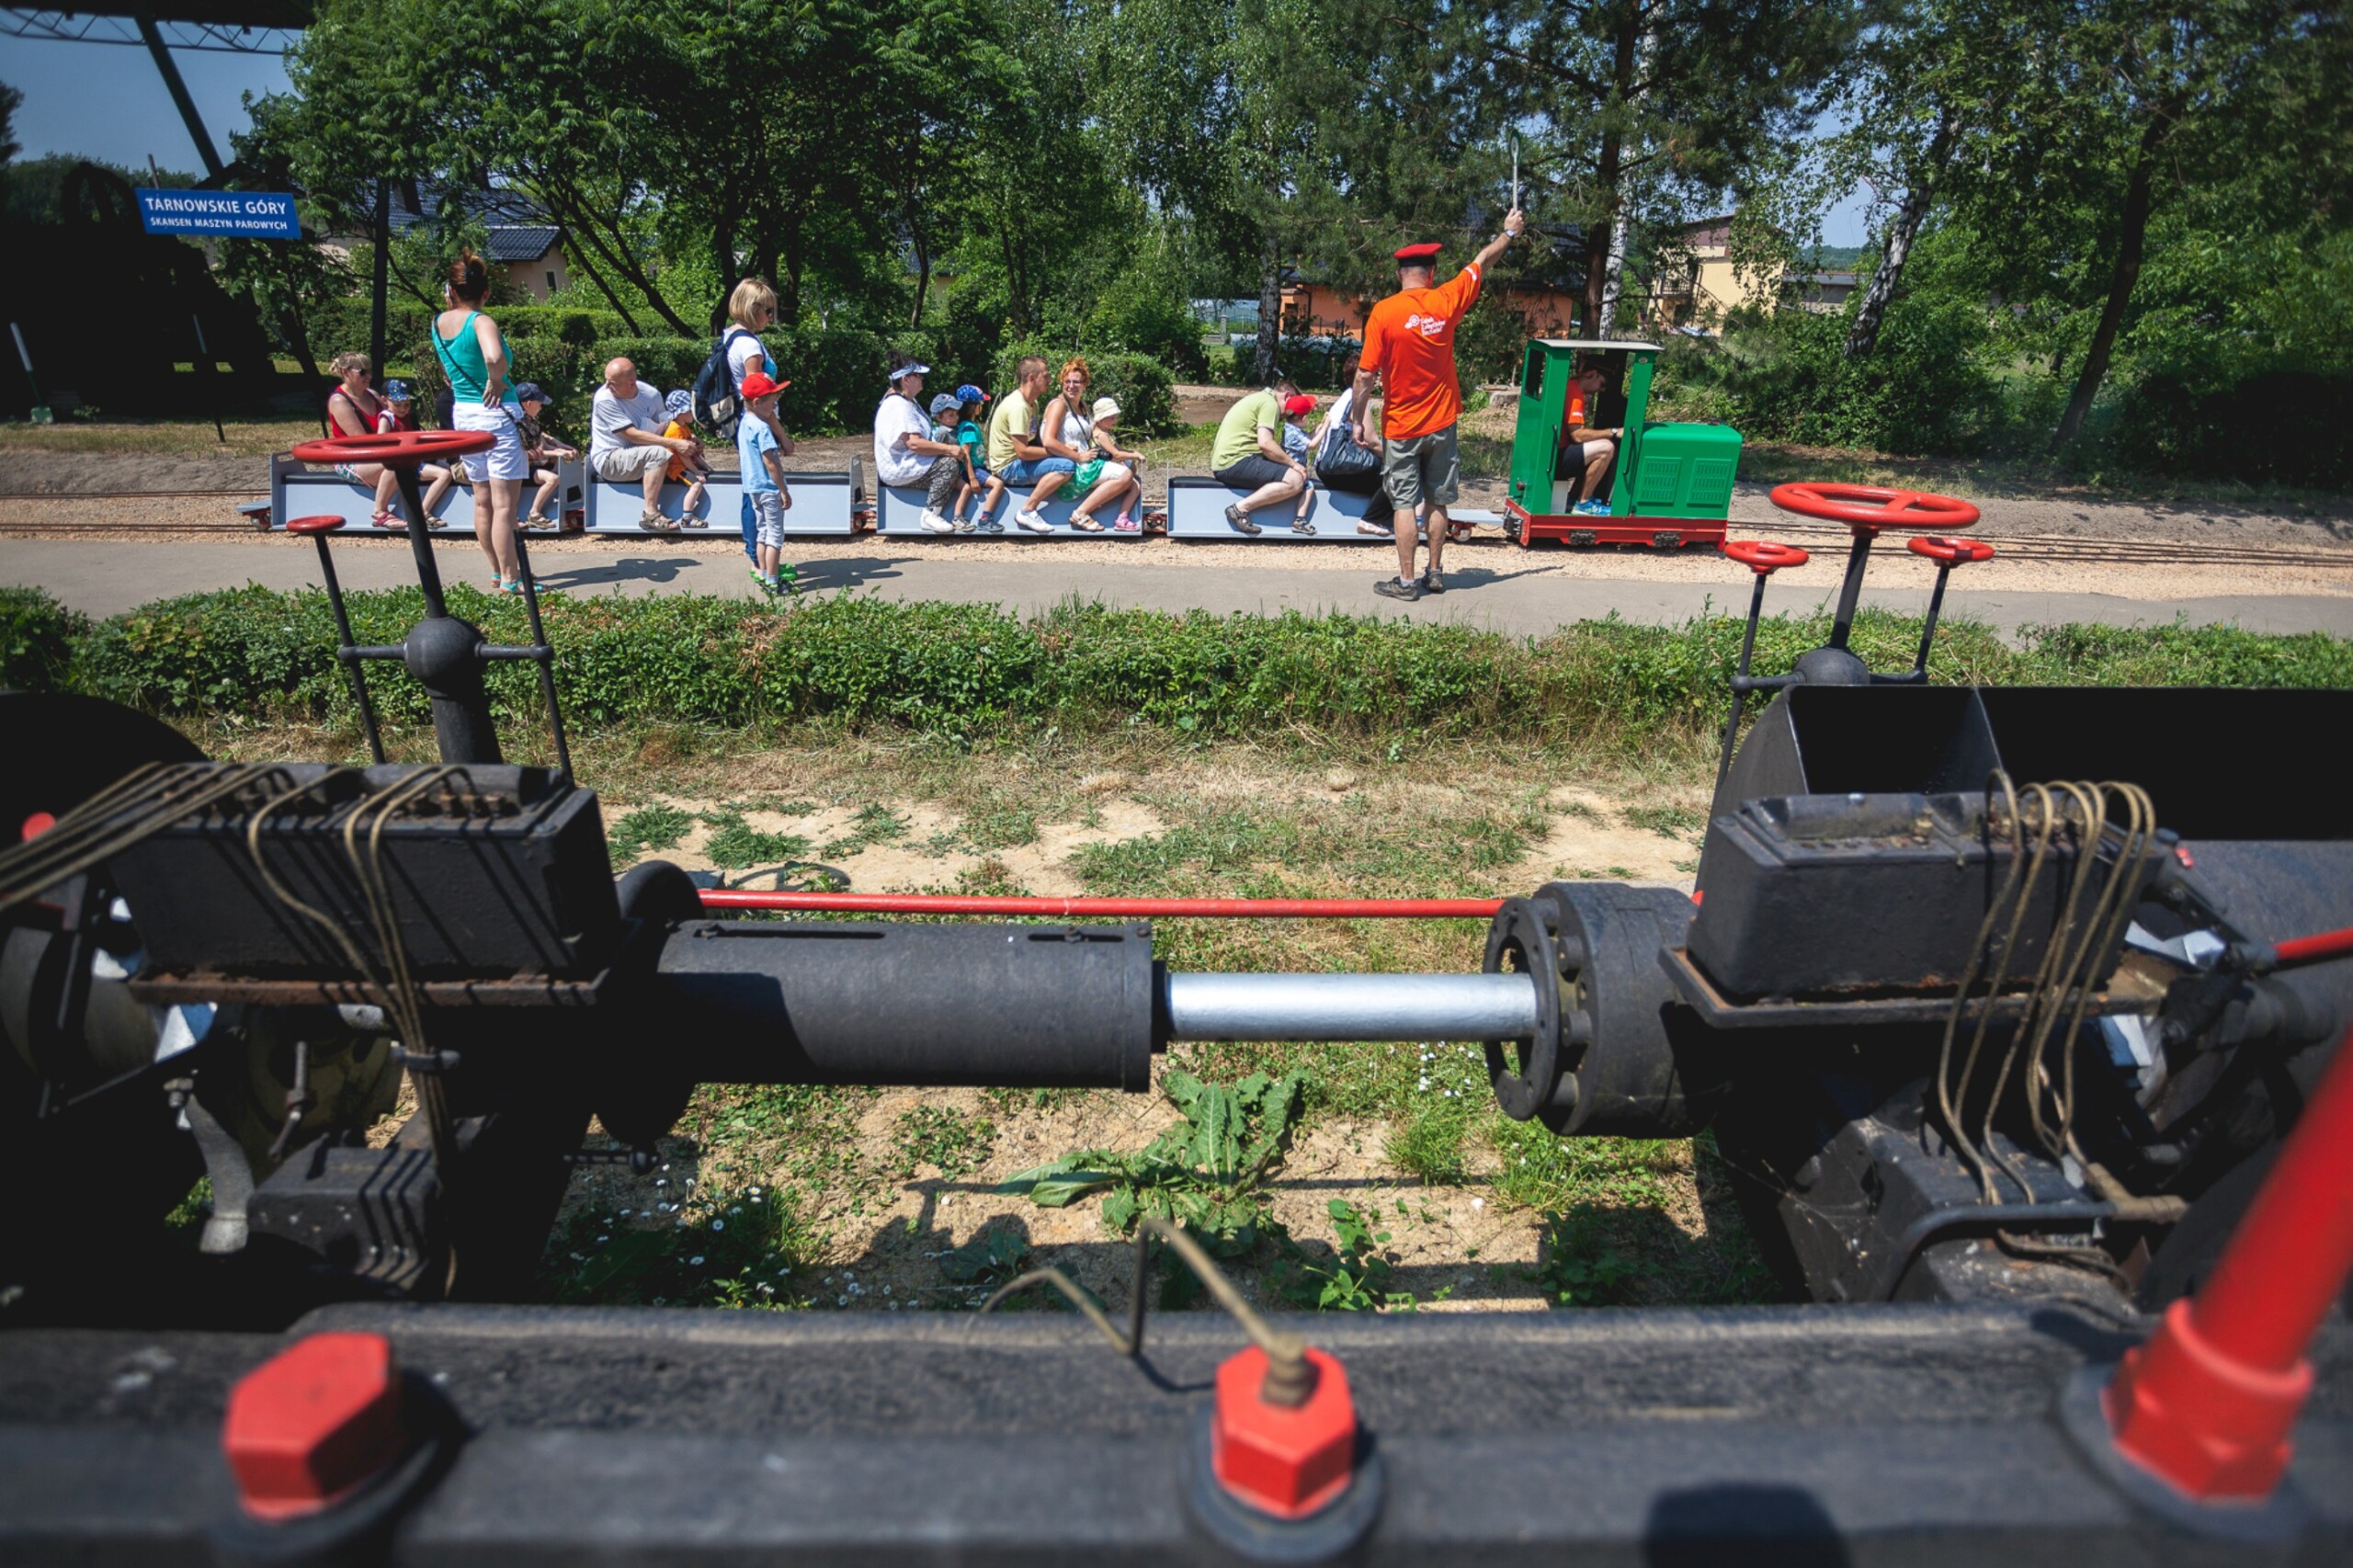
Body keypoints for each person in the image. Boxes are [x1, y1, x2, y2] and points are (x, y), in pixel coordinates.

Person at [1353, 208, 1525, 601]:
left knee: (1402, 503)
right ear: (1431, 273)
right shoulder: (1447, 299)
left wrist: (1356, 419)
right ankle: (1434, 572)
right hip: (1442, 423)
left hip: (1401, 426)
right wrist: (1509, 234)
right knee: (1438, 500)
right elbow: (1483, 260)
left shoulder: (1384, 312)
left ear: (1401, 274)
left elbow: (1364, 376)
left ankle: (1407, 582)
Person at [427, 247, 529, 592]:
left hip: (464, 414)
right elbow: (494, 356)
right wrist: (496, 379)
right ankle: (512, 579)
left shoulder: (439, 324)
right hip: (495, 415)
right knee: (504, 505)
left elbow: (447, 372)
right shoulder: (481, 321)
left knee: (482, 500)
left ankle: (498, 571)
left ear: (450, 291)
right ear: (486, 291)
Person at [590, 357, 695, 531]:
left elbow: (668, 425)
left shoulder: (651, 395)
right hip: (609, 458)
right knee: (659, 453)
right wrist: (675, 443)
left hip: (638, 453)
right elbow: (632, 435)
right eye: (607, 381)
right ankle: (650, 514)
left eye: (612, 383)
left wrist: (688, 439)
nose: (607, 386)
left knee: (674, 450)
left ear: (631, 383)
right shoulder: (604, 399)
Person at [872, 355, 968, 535]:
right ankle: (931, 514)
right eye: (918, 375)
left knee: (949, 462)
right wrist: (950, 449)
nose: (921, 378)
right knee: (949, 464)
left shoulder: (904, 400)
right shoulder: (900, 405)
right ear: (906, 379)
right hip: (899, 468)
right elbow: (914, 444)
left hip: (906, 462)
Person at [1039, 358, 1136, 534]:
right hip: (1073, 465)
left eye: (1076, 382)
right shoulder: (1059, 406)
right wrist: (1077, 456)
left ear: (1084, 384)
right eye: (1067, 382)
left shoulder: (1082, 406)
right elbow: (1048, 441)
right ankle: (1081, 513)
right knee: (1125, 475)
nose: (1071, 386)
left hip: (1088, 461)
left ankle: (1122, 518)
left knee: (1132, 476)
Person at [1209, 377, 1309, 536]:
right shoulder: (1270, 404)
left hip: (1227, 461)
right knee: (1295, 480)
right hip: (1235, 461)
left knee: (1287, 471)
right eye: (1290, 409)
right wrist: (1294, 465)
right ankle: (1240, 509)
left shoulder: (1259, 398)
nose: (1289, 414)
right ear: (1287, 395)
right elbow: (1266, 444)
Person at [985, 355, 1073, 534]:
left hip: (1019, 462)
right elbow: (1023, 452)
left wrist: (1058, 449)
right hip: (1008, 468)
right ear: (1032, 378)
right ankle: (1028, 510)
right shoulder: (1019, 407)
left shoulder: (1032, 404)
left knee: (1065, 460)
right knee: (1067, 466)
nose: (1050, 380)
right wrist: (1060, 453)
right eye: (1046, 376)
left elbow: (1034, 441)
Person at [1310, 378, 1399, 539]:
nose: (1379, 378)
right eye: (1376, 374)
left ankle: (1390, 519)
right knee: (1396, 473)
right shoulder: (1358, 399)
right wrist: (1399, 458)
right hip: (1339, 466)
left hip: (1326, 466)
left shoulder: (1344, 398)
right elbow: (1372, 442)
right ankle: (1370, 520)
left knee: (1381, 477)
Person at [322, 352, 402, 528]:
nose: (369, 376)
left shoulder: (372, 394)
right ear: (345, 372)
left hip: (378, 454)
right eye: (363, 372)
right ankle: (380, 511)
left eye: (370, 371)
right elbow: (362, 442)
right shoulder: (339, 401)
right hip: (352, 460)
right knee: (398, 463)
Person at [737, 369, 796, 596]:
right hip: (769, 488)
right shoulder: (762, 428)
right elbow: (770, 463)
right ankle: (773, 581)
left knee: (762, 532)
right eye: (772, 400)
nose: (775, 404)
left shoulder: (746, 423)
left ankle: (762, 573)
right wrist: (783, 490)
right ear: (757, 401)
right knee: (775, 536)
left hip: (753, 488)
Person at [1560, 359, 1622, 517]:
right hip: (1557, 458)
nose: (1601, 390)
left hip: (1558, 452)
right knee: (1605, 448)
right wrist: (1614, 432)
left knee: (1594, 446)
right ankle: (1583, 504)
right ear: (1592, 374)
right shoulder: (1574, 393)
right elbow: (1578, 436)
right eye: (1602, 384)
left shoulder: (1571, 387)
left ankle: (1572, 499)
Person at [513, 382, 578, 530]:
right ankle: (534, 513)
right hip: (520, 470)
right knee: (552, 479)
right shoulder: (518, 425)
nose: (541, 406)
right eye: (539, 402)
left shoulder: (530, 422)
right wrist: (555, 452)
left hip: (530, 467)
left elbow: (543, 444)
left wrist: (560, 448)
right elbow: (528, 453)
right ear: (528, 403)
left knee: (558, 465)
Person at [1087, 395, 1146, 533]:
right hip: (1099, 470)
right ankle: (1122, 518)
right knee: (1135, 486)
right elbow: (1116, 454)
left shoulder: (1107, 432)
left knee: (1135, 480)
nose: (1115, 421)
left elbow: (1120, 451)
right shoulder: (1101, 435)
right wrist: (1135, 455)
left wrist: (1131, 454)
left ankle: (1121, 514)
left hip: (1107, 467)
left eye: (1116, 417)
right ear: (1101, 418)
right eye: (1112, 418)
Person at [954, 384, 1004, 532]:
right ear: (972, 406)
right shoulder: (968, 427)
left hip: (978, 467)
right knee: (998, 484)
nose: (981, 406)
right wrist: (972, 477)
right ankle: (985, 519)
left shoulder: (970, 424)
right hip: (973, 469)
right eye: (980, 403)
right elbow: (966, 453)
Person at [662, 390, 712, 525]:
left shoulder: (683, 427)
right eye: (690, 410)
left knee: (701, 475)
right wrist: (696, 472)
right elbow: (683, 456)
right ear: (681, 413)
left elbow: (693, 452)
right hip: (676, 467)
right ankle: (687, 517)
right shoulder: (675, 430)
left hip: (684, 463)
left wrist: (705, 466)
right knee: (696, 484)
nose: (693, 414)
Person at [1276, 392, 1320, 534]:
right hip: (1292, 470)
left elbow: (1307, 437)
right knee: (1309, 487)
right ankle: (1300, 520)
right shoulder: (1293, 433)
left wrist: (1320, 427)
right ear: (1304, 418)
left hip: (1292, 468)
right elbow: (1312, 445)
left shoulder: (1291, 428)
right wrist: (1325, 428)